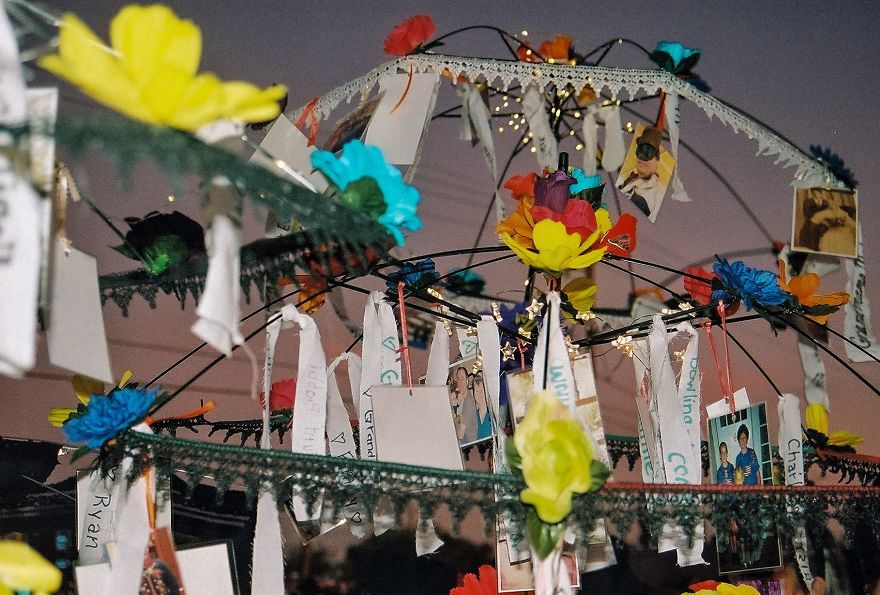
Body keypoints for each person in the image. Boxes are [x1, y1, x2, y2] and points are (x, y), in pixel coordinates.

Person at [617, 126, 666, 219]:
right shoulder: (627, 177)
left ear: (656, 160)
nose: (642, 157)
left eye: (649, 152)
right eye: (640, 150)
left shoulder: (659, 190)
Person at [471, 374, 492, 441]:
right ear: (474, 395)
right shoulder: (473, 417)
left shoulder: (493, 412)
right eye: (477, 391)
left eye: (481, 391)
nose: (479, 394)